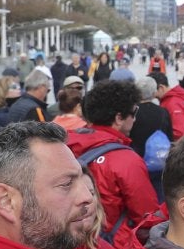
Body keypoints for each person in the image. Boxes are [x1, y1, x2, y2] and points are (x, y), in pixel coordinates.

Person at [65, 79, 160, 239]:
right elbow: (146, 216)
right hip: (112, 247)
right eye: (134, 112)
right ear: (119, 118)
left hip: (71, 242)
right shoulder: (126, 160)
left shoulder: (67, 146)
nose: (135, 119)